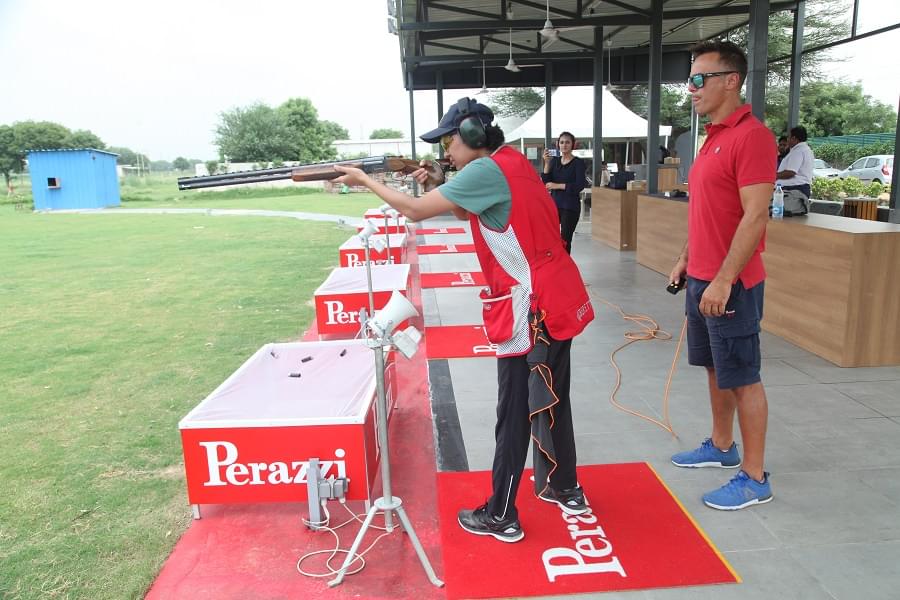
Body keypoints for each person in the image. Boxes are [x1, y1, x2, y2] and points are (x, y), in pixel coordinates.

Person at [332, 97, 595, 542]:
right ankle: (564, 486)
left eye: (449, 141)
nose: (445, 151)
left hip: (529, 305)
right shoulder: (510, 161)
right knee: (551, 396)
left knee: (513, 410)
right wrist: (441, 179)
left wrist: (364, 179)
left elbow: (415, 211)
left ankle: (501, 515)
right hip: (555, 295)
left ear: (472, 135)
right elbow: (476, 207)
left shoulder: (482, 171)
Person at [668, 40, 775, 511]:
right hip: (703, 278)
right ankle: (721, 446)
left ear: (730, 81)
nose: (690, 89)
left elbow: (754, 217)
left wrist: (724, 278)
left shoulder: (752, 136)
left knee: (743, 376)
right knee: (716, 367)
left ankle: (754, 477)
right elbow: (709, 211)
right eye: (689, 80)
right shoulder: (711, 136)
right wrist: (687, 259)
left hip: (731, 283)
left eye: (698, 79)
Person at [541, 132, 587, 254]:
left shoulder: (578, 163)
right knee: (551, 238)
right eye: (562, 142)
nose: (564, 145)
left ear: (573, 145)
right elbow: (546, 182)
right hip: (554, 205)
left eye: (567, 142)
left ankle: (564, 269)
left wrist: (557, 186)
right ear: (558, 145)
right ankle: (555, 266)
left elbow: (579, 186)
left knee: (565, 240)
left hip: (570, 207)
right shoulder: (554, 162)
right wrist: (546, 162)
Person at [777, 126, 814, 200]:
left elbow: (790, 172)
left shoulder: (798, 151)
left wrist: (773, 176)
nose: (787, 140)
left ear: (794, 138)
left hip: (793, 189)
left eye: (788, 137)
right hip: (797, 188)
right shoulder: (806, 149)